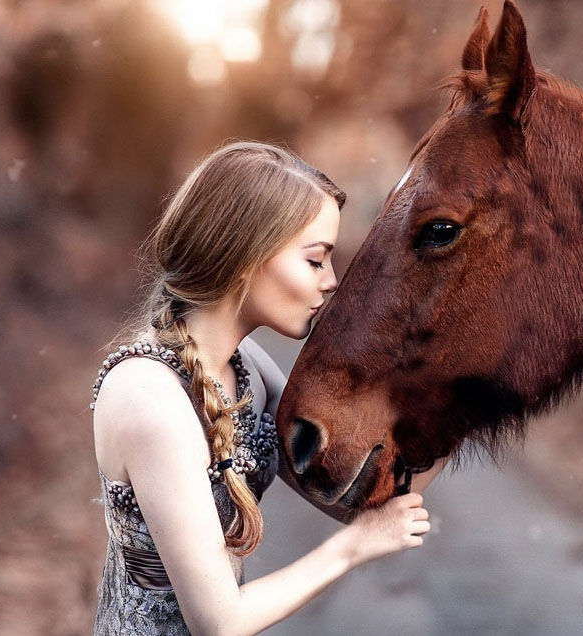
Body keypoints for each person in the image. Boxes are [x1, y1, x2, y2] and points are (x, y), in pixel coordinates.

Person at [89, 141, 444, 635]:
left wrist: (456, 397)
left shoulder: (246, 366)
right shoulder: (149, 398)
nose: (331, 281)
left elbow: (357, 497)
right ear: (246, 255)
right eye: (316, 260)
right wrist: (353, 547)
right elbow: (220, 622)